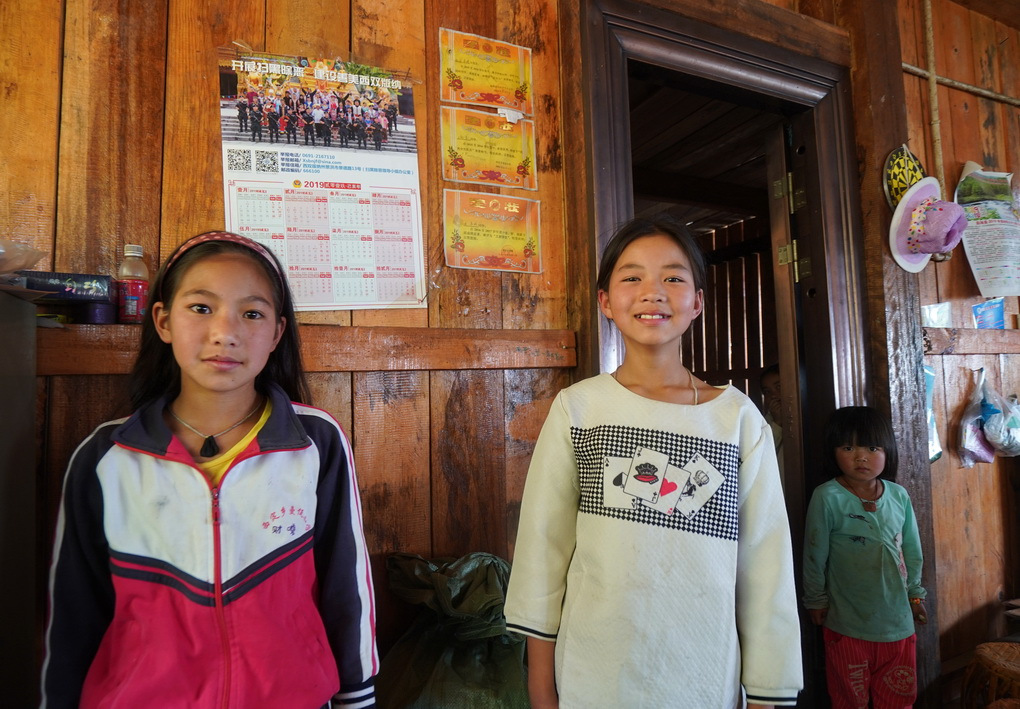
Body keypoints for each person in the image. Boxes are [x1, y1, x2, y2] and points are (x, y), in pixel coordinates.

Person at [42, 231, 379, 708]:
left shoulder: (315, 442)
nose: (226, 332)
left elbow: (347, 585)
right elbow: (74, 613)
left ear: (277, 333)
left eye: (252, 313)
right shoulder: (106, 457)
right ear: (162, 320)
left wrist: (356, 698)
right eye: (201, 308)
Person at [503, 216, 803, 708]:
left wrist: (768, 694)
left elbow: (765, 568)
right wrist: (541, 688)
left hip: (703, 677)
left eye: (673, 277)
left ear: (697, 301)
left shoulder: (737, 421)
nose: (652, 292)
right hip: (595, 674)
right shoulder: (579, 410)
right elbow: (543, 551)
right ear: (606, 301)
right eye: (631, 277)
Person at [803, 405, 927, 709]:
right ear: (833, 452)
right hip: (847, 625)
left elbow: (911, 550)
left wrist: (915, 596)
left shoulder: (898, 495)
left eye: (872, 447)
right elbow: (814, 553)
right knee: (848, 701)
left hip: (898, 625)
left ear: (888, 451)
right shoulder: (827, 496)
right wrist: (815, 599)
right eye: (848, 447)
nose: (861, 457)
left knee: (898, 701)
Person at [760, 363, 785, 481]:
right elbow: (763, 453)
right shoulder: (766, 421)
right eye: (767, 392)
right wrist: (778, 422)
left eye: (779, 387)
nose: (774, 395)